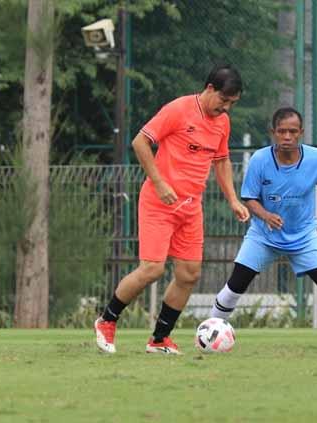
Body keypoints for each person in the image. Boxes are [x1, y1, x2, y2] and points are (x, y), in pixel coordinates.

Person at [94, 65, 250, 354]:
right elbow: (140, 141)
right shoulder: (178, 109)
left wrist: (232, 199)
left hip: (191, 208)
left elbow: (222, 161)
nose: (226, 107)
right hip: (159, 202)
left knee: (189, 274)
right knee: (152, 269)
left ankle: (159, 339)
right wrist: (159, 181)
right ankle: (107, 320)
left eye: (232, 104)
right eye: (224, 100)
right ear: (210, 89)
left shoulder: (222, 122)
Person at [210, 107, 317, 342]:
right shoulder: (260, 159)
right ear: (273, 132)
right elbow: (249, 198)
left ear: (301, 132)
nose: (287, 137)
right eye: (282, 132)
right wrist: (266, 216)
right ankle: (210, 331)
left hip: (303, 235)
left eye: (292, 131)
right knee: (236, 285)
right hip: (264, 235)